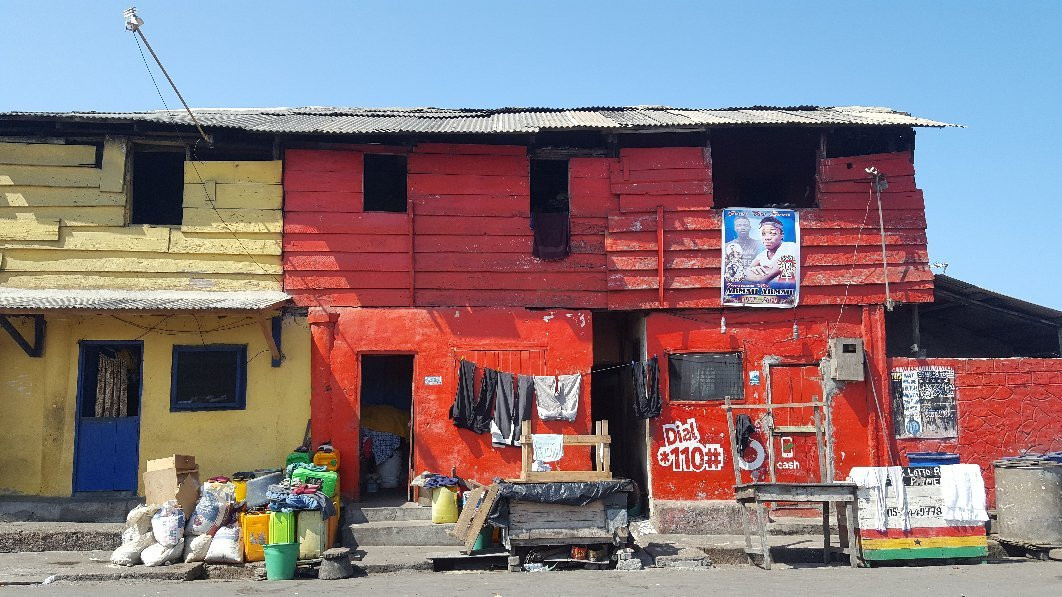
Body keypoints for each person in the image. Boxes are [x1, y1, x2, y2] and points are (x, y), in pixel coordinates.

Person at [744, 216, 798, 283]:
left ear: (782, 235)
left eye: (773, 233)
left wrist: (752, 273)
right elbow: (744, 273)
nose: (767, 238)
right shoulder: (761, 255)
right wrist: (752, 270)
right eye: (763, 233)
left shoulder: (790, 247)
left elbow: (762, 278)